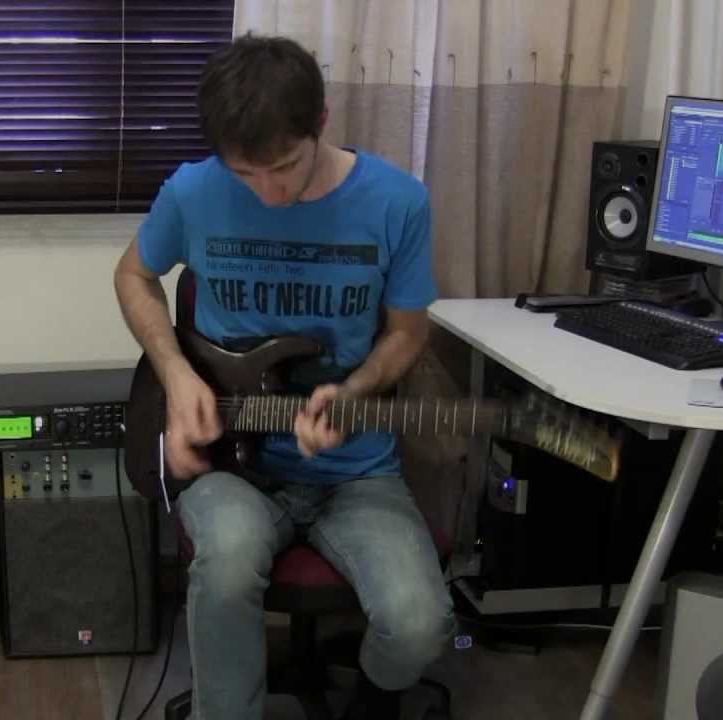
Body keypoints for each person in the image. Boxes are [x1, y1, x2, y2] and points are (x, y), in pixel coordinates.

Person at [114, 34, 618, 720]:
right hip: (233, 466)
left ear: (321, 123)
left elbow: (408, 332)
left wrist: (355, 390)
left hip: (355, 472)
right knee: (225, 564)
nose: (268, 193)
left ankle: (371, 705)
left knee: (420, 624)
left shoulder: (396, 202)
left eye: (284, 168)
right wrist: (176, 375)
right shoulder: (193, 190)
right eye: (246, 175)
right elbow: (133, 276)